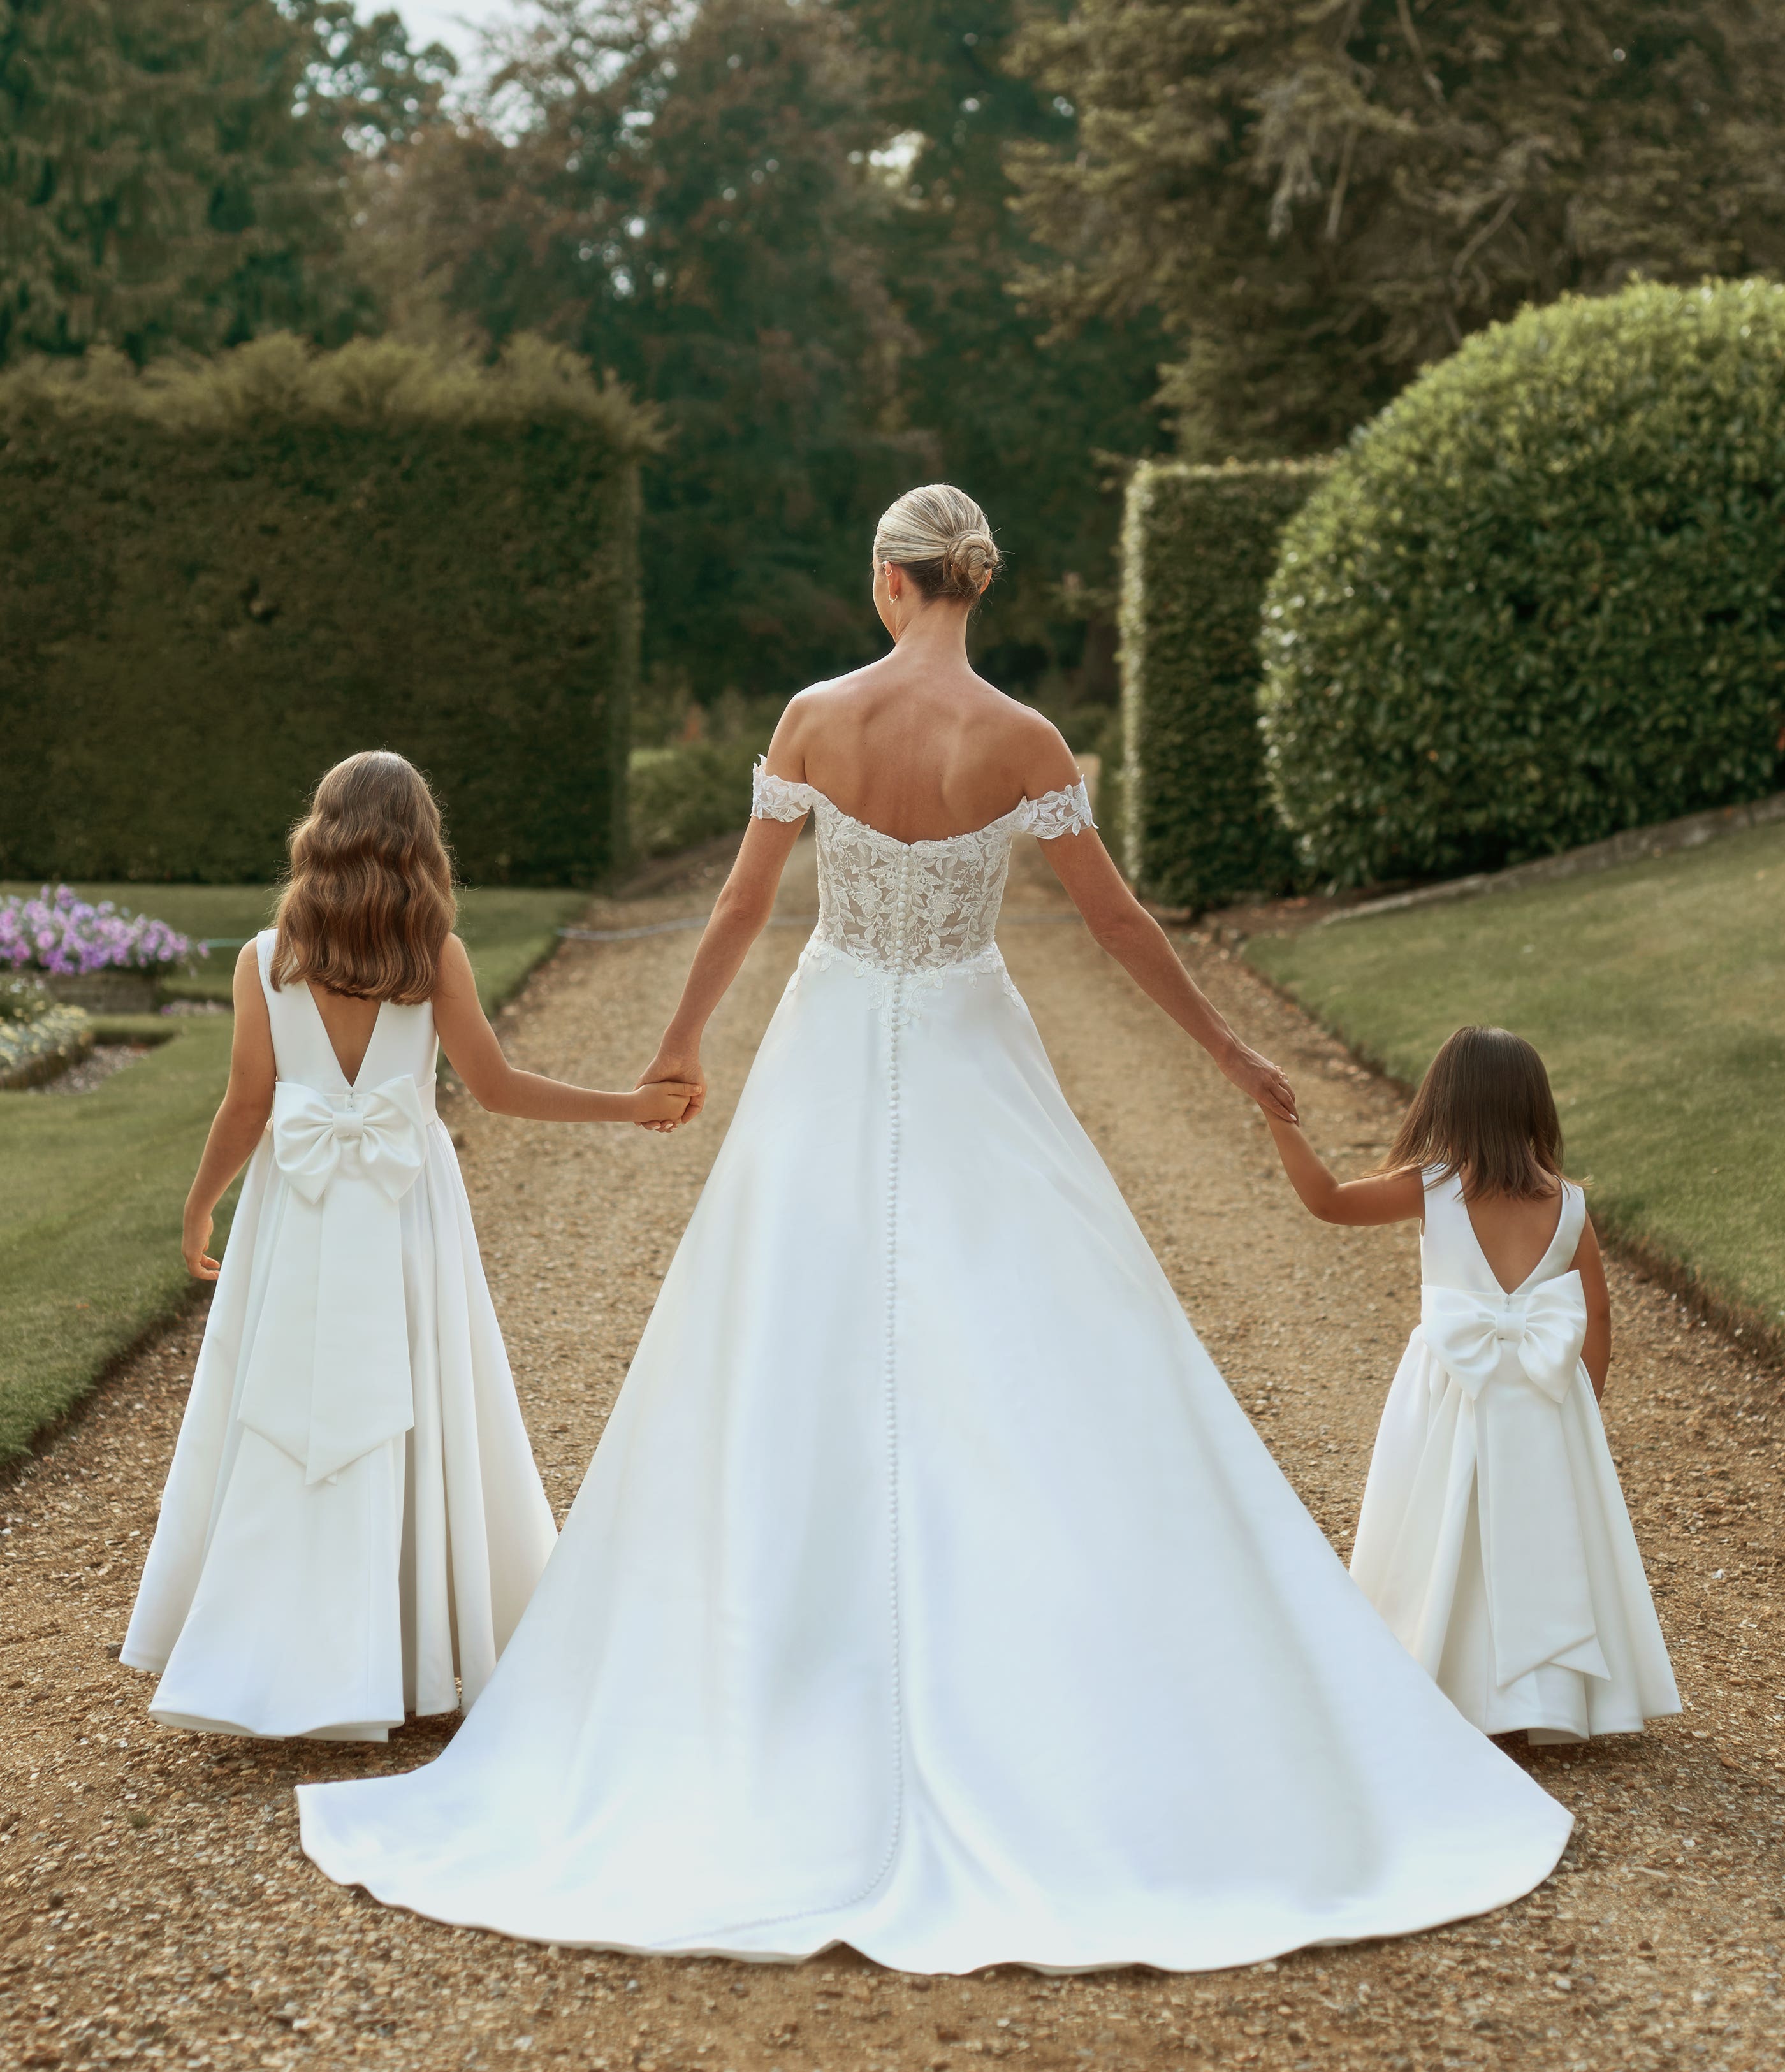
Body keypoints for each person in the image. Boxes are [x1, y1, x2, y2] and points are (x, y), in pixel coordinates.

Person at [298, 489, 1570, 1972]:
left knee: (781, 1346)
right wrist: (1232, 1056)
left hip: (832, 1041)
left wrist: (682, 1049)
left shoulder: (815, 717)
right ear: (975, 587)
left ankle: (775, 1682)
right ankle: (1054, 1682)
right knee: (1048, 1344)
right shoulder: (1025, 742)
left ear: (894, 585)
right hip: (972, 1042)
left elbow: (740, 904)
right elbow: (1117, 925)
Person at [122, 751, 693, 1741]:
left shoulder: (264, 958)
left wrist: (201, 1203)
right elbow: (499, 1088)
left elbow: (249, 1104)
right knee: (418, 1403)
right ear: (419, 845)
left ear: (321, 834)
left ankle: (274, 1653)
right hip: (402, 1212)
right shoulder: (435, 956)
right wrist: (628, 1108)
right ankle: (415, 1644)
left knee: (285, 1409)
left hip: (293, 1211)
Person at [1264, 1025, 1679, 1743]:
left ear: (1445, 1105)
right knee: (1546, 1535)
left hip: (1454, 1390)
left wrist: (1281, 1121)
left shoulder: (1432, 1190)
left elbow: (1327, 1200)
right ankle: (1550, 1697)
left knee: (1446, 1524)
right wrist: (1581, 1404)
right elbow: (1597, 1313)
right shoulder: (1569, 1205)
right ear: (1533, 1108)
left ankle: (1448, 1680)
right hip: (1546, 1394)